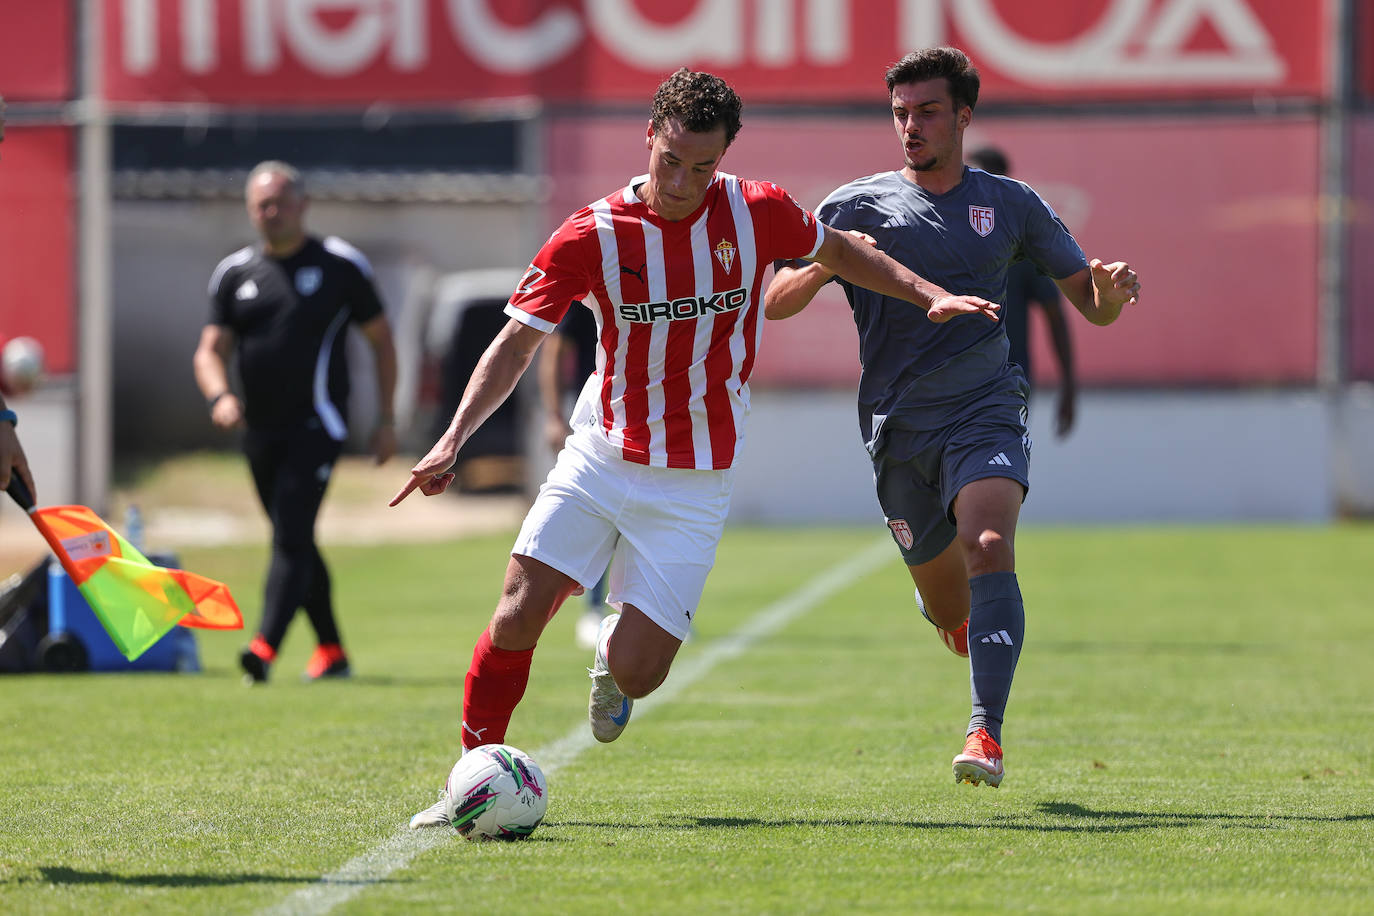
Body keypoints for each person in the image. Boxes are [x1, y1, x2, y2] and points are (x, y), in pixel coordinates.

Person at [395, 67, 998, 828]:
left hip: (694, 478)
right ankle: (465, 779)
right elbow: (519, 340)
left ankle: (613, 665)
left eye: (701, 166)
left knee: (642, 675)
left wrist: (928, 294)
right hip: (601, 454)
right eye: (669, 160)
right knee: (519, 612)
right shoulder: (594, 233)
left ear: (724, 157)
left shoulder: (757, 211)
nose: (682, 181)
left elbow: (842, 252)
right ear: (649, 136)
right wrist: (454, 437)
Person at [766, 48, 1140, 788]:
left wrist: (1114, 291)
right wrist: (826, 263)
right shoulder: (852, 205)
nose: (911, 125)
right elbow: (776, 302)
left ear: (963, 115)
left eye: (928, 111)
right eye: (900, 112)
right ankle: (946, 607)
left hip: (986, 408)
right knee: (949, 607)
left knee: (990, 542)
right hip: (898, 431)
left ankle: (984, 736)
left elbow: (1091, 307)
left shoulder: (1013, 204)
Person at [193, 160, 398, 685]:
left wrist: (386, 418)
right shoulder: (234, 273)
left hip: (319, 426)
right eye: (261, 204)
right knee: (297, 538)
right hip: (259, 432)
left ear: (303, 205)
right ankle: (331, 650)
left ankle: (264, 648)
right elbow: (209, 350)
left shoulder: (340, 266)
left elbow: (382, 342)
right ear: (249, 210)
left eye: (281, 202)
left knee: (289, 533)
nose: (271, 212)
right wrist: (220, 396)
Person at [966, 146, 1077, 438]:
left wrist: (1068, 386)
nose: (977, 189)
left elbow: (1054, 314)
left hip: (1007, 384)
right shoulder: (944, 235)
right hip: (951, 384)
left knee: (993, 470)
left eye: (987, 180)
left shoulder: (1021, 245)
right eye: (971, 179)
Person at [534, 302, 611, 650]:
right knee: (601, 515)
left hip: (648, 421)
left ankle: (652, 611)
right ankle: (593, 609)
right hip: (597, 424)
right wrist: (553, 415)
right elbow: (553, 348)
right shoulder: (595, 288)